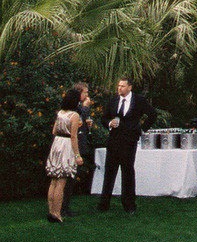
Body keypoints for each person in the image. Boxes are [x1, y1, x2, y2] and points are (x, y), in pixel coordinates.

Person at [97, 76, 156, 215]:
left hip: (129, 141)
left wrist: (141, 130)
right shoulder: (113, 100)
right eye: (118, 86)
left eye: (122, 86)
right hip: (113, 140)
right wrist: (109, 123)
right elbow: (104, 118)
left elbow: (152, 114)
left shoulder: (139, 100)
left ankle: (129, 204)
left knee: (128, 171)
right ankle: (104, 203)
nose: (119, 88)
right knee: (110, 171)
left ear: (130, 87)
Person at [45, 87, 84, 222]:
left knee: (53, 181)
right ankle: (57, 213)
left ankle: (51, 211)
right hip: (66, 145)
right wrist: (78, 155)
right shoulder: (74, 116)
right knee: (61, 181)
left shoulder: (60, 113)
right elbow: (74, 137)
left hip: (56, 144)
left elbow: (54, 131)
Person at [61, 82, 93, 217]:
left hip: (80, 142)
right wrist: (85, 109)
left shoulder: (78, 108)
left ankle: (65, 206)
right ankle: (63, 207)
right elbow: (76, 120)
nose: (87, 95)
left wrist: (88, 125)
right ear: (79, 93)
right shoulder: (75, 108)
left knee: (72, 178)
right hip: (73, 146)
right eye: (85, 92)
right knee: (68, 177)